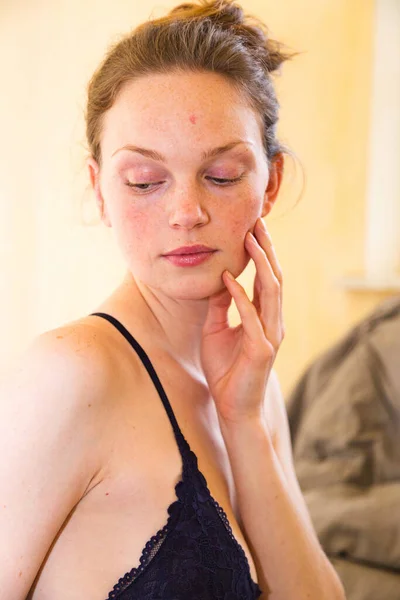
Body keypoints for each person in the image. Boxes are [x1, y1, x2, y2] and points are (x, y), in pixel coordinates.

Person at [0, 1, 345, 599]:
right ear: (100, 191)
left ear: (272, 184)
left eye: (222, 175)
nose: (186, 212)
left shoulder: (253, 387)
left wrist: (242, 423)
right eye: (144, 182)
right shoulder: (69, 374)